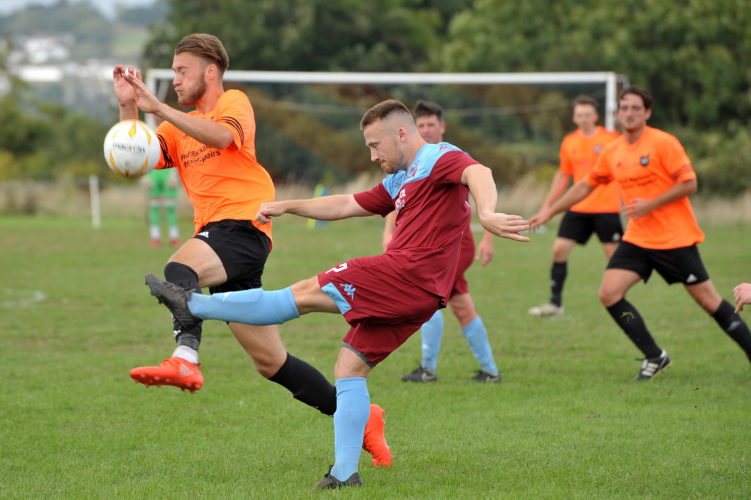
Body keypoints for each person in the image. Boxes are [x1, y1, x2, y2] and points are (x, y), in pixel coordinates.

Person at [143, 99, 530, 488]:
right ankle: (345, 475)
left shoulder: (438, 157)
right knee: (349, 369)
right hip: (424, 293)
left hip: (406, 273)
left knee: (301, 294)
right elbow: (347, 203)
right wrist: (288, 206)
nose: (373, 154)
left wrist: (487, 213)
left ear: (401, 133)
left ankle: (192, 303)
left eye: (375, 145)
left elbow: (479, 172)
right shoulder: (401, 179)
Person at [112, 33, 392, 467]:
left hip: (243, 225)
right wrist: (129, 106)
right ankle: (361, 417)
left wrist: (159, 107)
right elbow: (134, 160)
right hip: (220, 237)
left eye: (182, 71)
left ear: (211, 72)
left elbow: (223, 139)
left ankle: (186, 356)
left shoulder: (234, 103)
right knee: (270, 362)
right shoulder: (174, 128)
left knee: (178, 267)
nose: (176, 80)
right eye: (173, 73)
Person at [530, 86, 751, 380]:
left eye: (636, 108)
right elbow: (585, 185)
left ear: (647, 112)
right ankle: (654, 355)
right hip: (638, 239)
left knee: (709, 301)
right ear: (617, 114)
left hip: (676, 239)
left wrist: (650, 204)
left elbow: (689, 183)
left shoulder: (663, 143)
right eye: (624, 108)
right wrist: (550, 211)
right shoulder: (613, 151)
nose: (629, 113)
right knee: (609, 294)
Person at [383, 100, 501, 383]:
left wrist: (488, 237)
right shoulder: (413, 160)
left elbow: (483, 186)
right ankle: (490, 371)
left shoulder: (450, 156)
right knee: (461, 306)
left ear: (442, 126)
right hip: (432, 246)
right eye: (421, 125)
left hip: (455, 245)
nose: (426, 129)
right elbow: (398, 199)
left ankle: (427, 369)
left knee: (426, 298)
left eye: (431, 124)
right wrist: (389, 233)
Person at [528, 95, 621, 317]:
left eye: (588, 114)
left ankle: (618, 301)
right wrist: (547, 205)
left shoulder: (612, 139)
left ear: (596, 116)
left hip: (607, 207)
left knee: (616, 258)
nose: (584, 118)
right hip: (578, 207)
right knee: (559, 250)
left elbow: (624, 168)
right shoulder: (569, 141)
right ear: (574, 117)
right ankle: (555, 303)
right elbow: (562, 175)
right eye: (580, 115)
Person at [144, 168, 181, 248]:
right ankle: (155, 237)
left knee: (170, 208)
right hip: (153, 171)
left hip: (168, 170)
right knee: (154, 207)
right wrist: (146, 174)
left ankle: (174, 237)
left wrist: (174, 173)